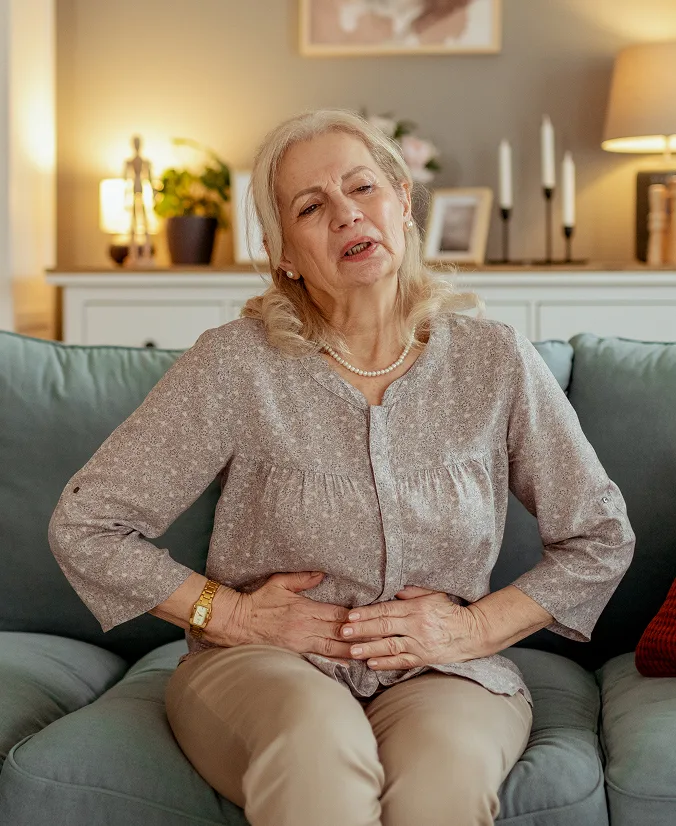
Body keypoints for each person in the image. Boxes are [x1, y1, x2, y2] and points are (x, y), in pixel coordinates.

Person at [48, 109, 636, 826]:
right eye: (311, 206)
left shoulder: (496, 362)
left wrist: (473, 630)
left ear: (402, 201)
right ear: (282, 252)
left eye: (363, 189)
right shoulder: (235, 364)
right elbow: (87, 524)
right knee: (317, 756)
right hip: (263, 667)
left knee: (440, 788)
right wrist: (227, 612)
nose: (348, 215)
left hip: (442, 672)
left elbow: (601, 535)